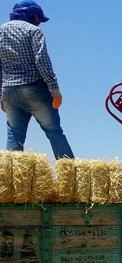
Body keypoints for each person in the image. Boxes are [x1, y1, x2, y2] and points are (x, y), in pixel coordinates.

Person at [0, 1, 73, 159]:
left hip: (9, 91)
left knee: (14, 135)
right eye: (38, 18)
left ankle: (9, 180)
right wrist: (55, 90)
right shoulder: (33, 31)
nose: (39, 22)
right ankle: (71, 178)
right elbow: (42, 60)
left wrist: (1, 96)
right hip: (34, 88)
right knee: (54, 131)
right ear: (31, 15)